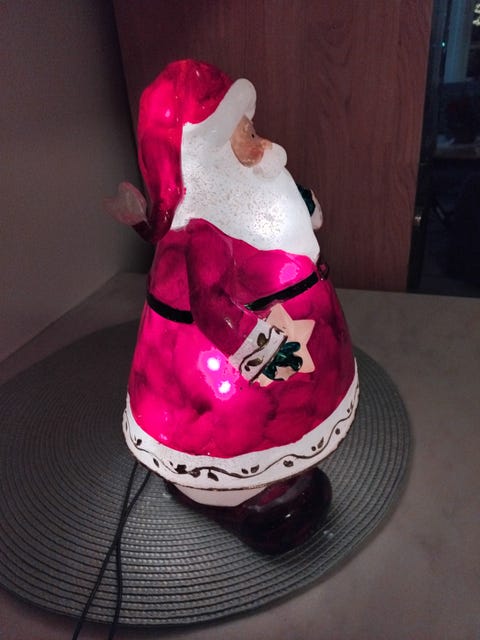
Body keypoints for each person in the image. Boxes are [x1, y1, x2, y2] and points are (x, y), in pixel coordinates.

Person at [105, 60, 358, 550]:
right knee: (244, 439)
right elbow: (210, 308)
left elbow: (296, 218)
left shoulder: (259, 193)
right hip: (242, 378)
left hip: (295, 351)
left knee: (286, 424)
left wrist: (302, 205)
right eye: (240, 135)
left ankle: (273, 471)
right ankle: (230, 485)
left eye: (251, 128)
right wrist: (266, 352)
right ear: (205, 159)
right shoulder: (204, 236)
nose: (257, 144)